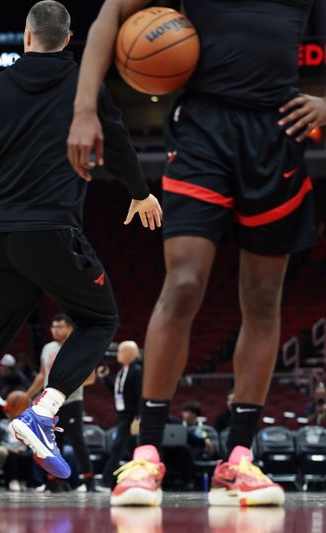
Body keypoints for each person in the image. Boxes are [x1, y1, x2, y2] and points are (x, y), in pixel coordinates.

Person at [0, 1, 161, 500]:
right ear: (68, 39)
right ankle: (44, 412)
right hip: (51, 229)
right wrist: (139, 190)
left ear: (26, 36)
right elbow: (118, 142)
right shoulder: (84, 88)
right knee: (100, 320)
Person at [68, 0, 325, 507]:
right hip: (203, 128)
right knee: (183, 282)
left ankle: (239, 460)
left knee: (263, 296)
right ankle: (145, 454)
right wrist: (83, 109)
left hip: (276, 134)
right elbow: (110, 14)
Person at [25, 314, 100, 492]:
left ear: (69, 328)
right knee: (50, 444)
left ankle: (89, 481)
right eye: (53, 326)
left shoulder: (79, 347)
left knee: (77, 442)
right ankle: (53, 481)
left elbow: (91, 378)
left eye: (59, 326)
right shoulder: (47, 348)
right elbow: (42, 375)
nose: (54, 330)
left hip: (71, 401)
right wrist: (27, 395)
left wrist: (66, 386)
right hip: (49, 404)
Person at [100, 340, 142, 489]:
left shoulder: (136, 371)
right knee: (132, 450)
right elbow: (117, 394)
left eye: (121, 351)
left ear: (131, 354)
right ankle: (138, 478)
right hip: (122, 416)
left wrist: (138, 418)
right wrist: (105, 378)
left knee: (117, 448)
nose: (118, 354)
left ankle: (105, 482)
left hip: (130, 417)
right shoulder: (122, 372)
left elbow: (140, 396)